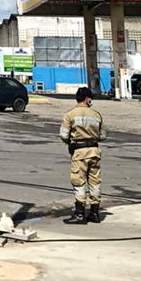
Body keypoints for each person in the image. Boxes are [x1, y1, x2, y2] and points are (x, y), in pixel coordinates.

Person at [58, 86, 105, 224]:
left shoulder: (70, 115)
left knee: (79, 182)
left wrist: (72, 141)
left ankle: (79, 213)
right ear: (87, 99)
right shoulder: (97, 115)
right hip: (94, 152)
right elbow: (103, 136)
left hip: (79, 152)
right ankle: (95, 213)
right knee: (95, 182)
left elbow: (63, 135)